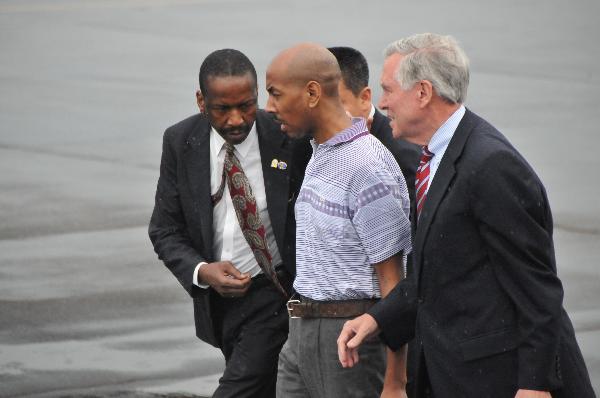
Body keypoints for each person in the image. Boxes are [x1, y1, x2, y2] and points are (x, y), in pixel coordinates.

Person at [337, 33, 595, 398]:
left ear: (423, 92)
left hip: (502, 380)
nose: (383, 103)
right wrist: (378, 317)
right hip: (456, 375)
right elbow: (438, 272)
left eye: (389, 90)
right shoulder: (434, 159)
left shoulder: (491, 166)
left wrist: (535, 385)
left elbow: (537, 289)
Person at [265, 42, 412, 398]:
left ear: (312, 93)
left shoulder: (366, 166)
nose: (269, 107)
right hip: (300, 333)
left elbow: (394, 281)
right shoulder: (319, 153)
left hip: (350, 344)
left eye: (275, 94)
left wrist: (396, 381)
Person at [148, 49, 296, 398]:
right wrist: (202, 271)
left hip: (275, 296)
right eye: (222, 109)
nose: (236, 120)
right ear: (201, 101)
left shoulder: (285, 135)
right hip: (221, 304)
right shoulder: (181, 141)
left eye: (246, 105)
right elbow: (164, 229)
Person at [328, 46, 420, 203]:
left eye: (335, 105)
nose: (324, 115)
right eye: (315, 105)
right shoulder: (309, 144)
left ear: (364, 98)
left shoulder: (401, 156)